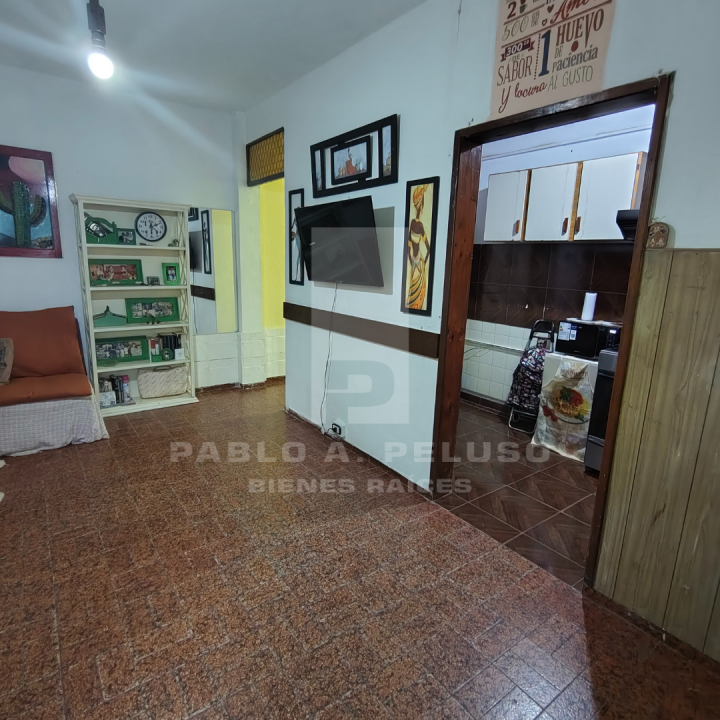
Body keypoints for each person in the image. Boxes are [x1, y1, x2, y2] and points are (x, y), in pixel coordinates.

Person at [406, 184, 431, 311]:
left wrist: (412, 260)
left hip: (414, 262)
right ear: (421, 205)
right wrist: (423, 262)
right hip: (419, 263)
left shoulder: (411, 223)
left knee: (413, 293)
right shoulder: (419, 225)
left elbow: (409, 245)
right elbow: (428, 248)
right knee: (417, 294)